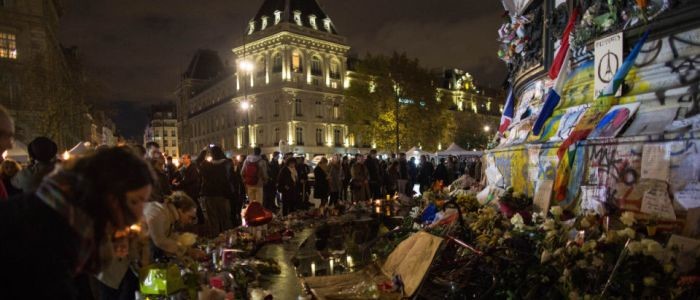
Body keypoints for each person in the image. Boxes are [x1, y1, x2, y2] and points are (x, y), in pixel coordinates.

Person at [0, 146, 154, 298]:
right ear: (109, 195)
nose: (139, 213)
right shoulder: (50, 236)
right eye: (135, 201)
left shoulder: (67, 221)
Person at [143, 191, 205, 261]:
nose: (190, 221)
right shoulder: (158, 212)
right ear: (181, 210)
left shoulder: (168, 214)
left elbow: (168, 236)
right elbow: (160, 240)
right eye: (190, 217)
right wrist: (187, 251)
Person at [197, 145, 239, 235]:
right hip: (223, 195)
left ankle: (216, 239)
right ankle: (228, 238)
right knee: (225, 219)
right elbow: (233, 178)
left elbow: (198, 161)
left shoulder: (206, 165)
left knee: (213, 219)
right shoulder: (227, 163)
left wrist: (204, 150)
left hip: (210, 195)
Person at [172, 154, 203, 228]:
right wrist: (176, 179)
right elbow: (180, 175)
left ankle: (201, 220)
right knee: (192, 204)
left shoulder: (193, 168)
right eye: (182, 158)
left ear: (189, 159)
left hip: (192, 190)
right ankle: (194, 219)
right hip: (186, 190)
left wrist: (179, 183)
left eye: (184, 158)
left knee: (195, 204)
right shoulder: (183, 168)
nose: (183, 160)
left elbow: (190, 179)